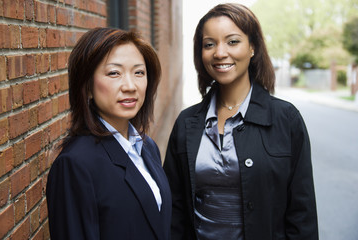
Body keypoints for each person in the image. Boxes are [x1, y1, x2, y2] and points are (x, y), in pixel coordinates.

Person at [163, 3, 318, 240]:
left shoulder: (287, 120)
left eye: (232, 41)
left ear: (252, 47)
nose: (219, 52)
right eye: (209, 44)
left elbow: (302, 215)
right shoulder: (186, 122)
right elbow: (174, 211)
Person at [46, 27, 171, 240]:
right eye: (114, 73)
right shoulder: (75, 165)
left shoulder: (147, 146)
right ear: (86, 86)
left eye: (139, 72)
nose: (130, 86)